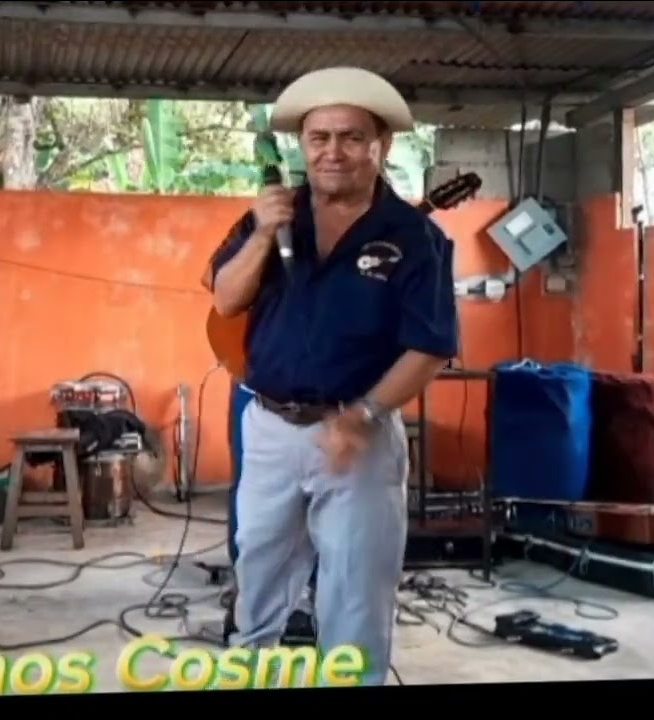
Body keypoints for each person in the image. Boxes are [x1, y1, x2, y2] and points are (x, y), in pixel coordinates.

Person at [208, 67, 459, 686]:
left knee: (355, 593)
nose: (333, 151)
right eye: (318, 138)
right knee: (257, 576)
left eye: (351, 137)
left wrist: (363, 415)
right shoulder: (272, 215)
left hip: (359, 436)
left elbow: (429, 348)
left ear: (382, 146)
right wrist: (264, 233)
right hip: (268, 427)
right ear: (302, 145)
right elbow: (226, 299)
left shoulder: (415, 238)